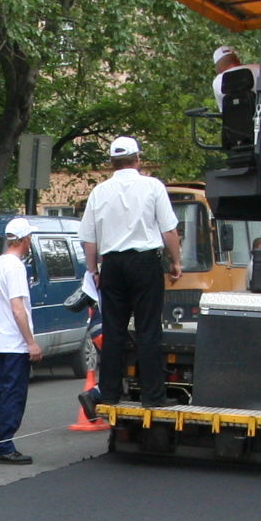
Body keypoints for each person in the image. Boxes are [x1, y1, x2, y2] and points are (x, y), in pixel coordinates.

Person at [76, 137, 180, 416]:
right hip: (145, 263)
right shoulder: (152, 186)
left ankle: (109, 393)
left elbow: (89, 240)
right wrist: (176, 262)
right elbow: (169, 230)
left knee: (113, 331)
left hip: (112, 265)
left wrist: (93, 270)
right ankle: (152, 396)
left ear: (111, 163)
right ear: (138, 159)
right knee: (148, 329)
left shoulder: (100, 192)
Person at [0, 219, 44, 465]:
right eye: (29, 238)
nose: (30, 243)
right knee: (13, 396)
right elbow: (18, 308)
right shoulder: (16, 267)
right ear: (24, 239)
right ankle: (4, 445)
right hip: (14, 342)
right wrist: (31, 342)